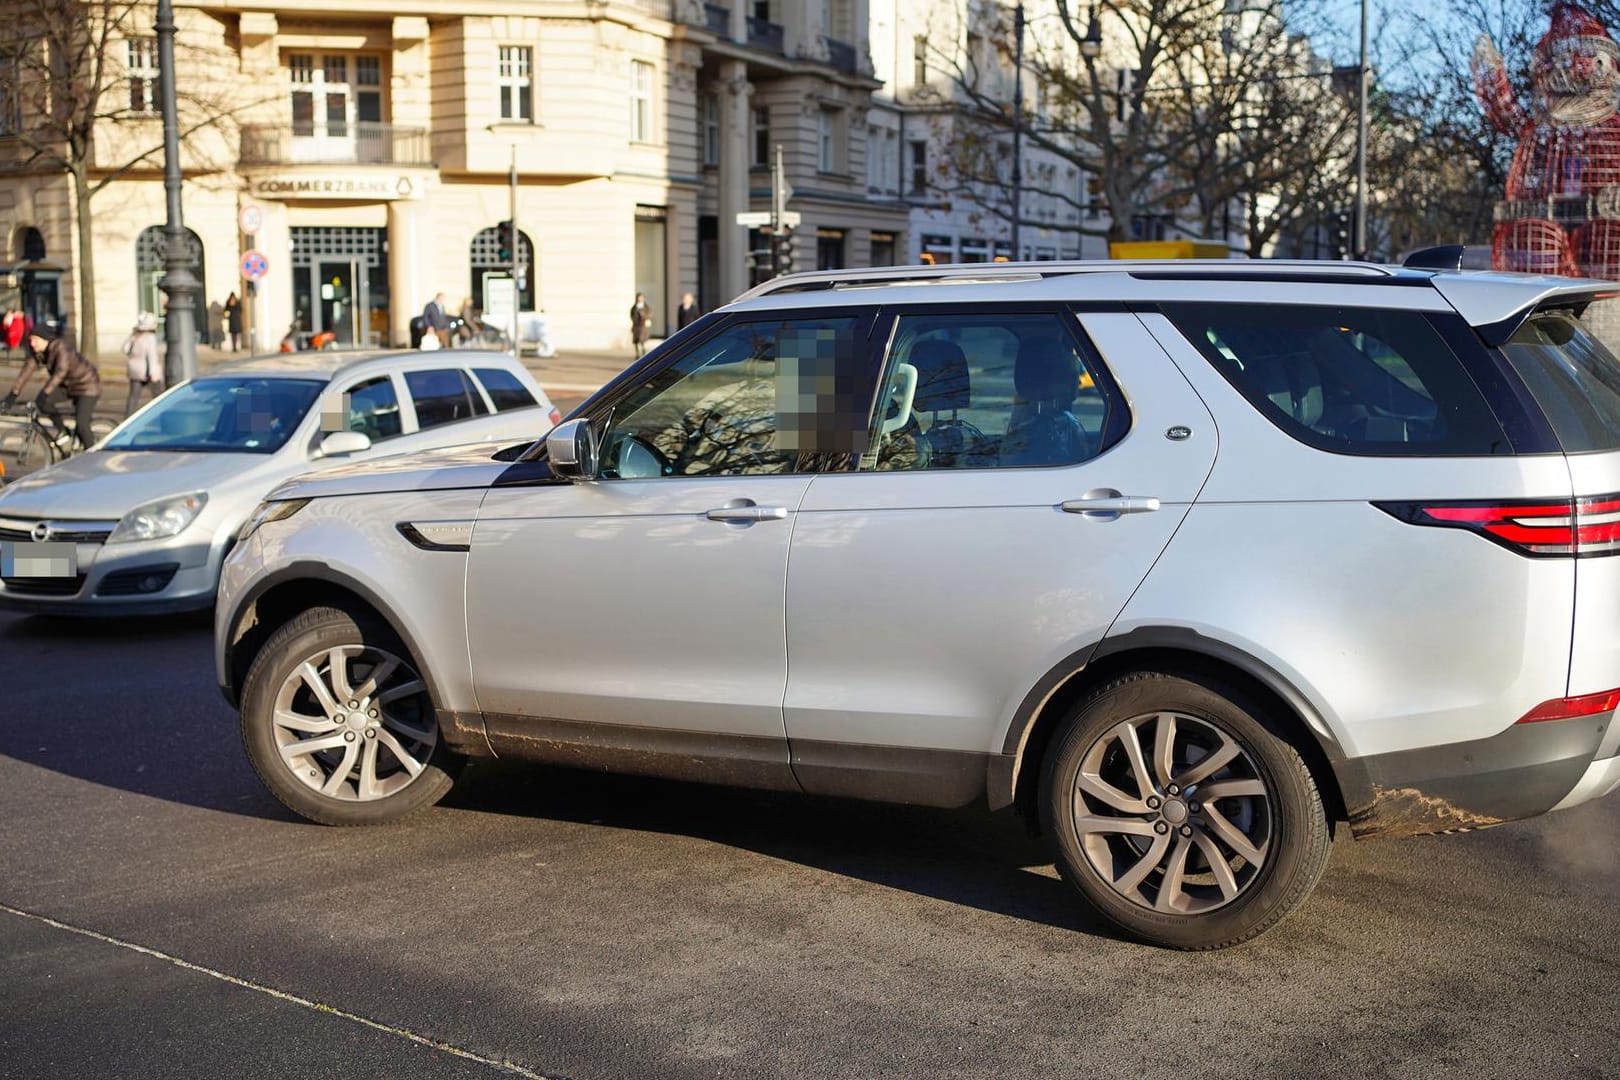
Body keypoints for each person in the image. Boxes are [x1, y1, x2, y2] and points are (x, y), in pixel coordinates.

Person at [2, 325, 102, 452]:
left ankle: (92, 454)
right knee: (42, 402)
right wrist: (12, 395)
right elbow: (26, 371)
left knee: (82, 424)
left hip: (87, 386)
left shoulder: (61, 347)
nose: (32, 344)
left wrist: (46, 391)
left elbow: (61, 371)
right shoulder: (38, 352)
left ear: (45, 339)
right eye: (31, 340)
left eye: (35, 340)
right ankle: (63, 431)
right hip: (68, 385)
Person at [122, 311, 163, 416]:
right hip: (148, 371)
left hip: (135, 370)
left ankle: (127, 418)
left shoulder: (135, 336)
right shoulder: (150, 338)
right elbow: (151, 356)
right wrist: (153, 373)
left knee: (133, 397)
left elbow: (125, 349)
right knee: (159, 397)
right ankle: (162, 416)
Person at [630, 292, 652, 357]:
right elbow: (631, 315)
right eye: (638, 297)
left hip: (642, 326)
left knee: (642, 339)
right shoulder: (634, 307)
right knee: (636, 340)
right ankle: (637, 353)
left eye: (641, 297)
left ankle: (643, 351)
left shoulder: (646, 306)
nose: (639, 299)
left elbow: (649, 314)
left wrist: (644, 315)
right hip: (636, 325)